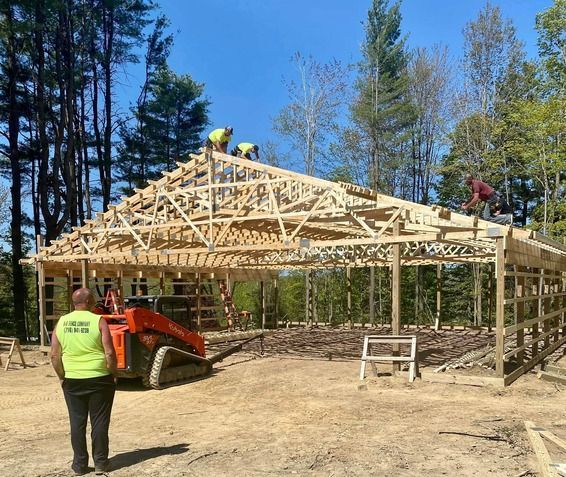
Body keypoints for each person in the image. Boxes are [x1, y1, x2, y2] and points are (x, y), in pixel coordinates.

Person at [51, 288, 117, 476]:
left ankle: (79, 465)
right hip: (99, 378)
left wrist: (62, 375)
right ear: (89, 302)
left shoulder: (62, 322)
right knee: (100, 421)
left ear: (74, 303)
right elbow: (110, 352)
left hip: (72, 379)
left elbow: (54, 354)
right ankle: (101, 464)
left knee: (77, 422)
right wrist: (113, 373)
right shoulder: (99, 320)